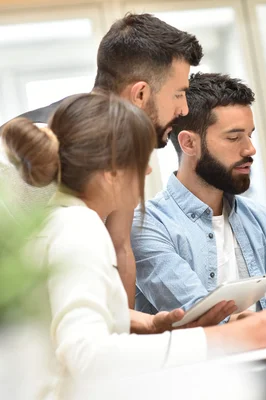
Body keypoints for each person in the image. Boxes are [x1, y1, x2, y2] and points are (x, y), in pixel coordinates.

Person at [1, 93, 266, 397]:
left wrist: (146, 323)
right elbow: (87, 354)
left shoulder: (62, 222)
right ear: (111, 171)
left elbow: (68, 316)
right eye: (141, 160)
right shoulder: (80, 229)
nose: (148, 170)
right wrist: (223, 336)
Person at [0, 14, 230, 327]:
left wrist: (134, 328)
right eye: (179, 93)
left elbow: (120, 248)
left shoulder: (126, 149)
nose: (185, 109)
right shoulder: (34, 154)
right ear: (140, 94)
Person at [131, 72, 266, 322]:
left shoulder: (263, 220)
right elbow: (202, 318)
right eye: (234, 137)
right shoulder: (147, 225)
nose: (250, 149)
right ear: (189, 144)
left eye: (250, 134)